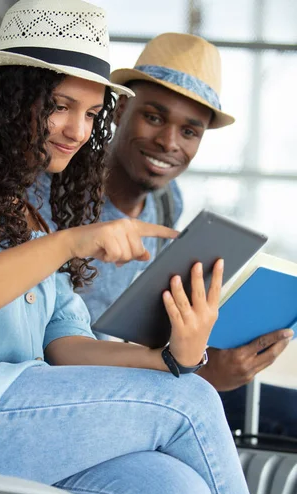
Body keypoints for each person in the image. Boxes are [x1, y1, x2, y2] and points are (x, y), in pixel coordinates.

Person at [0, 1, 289, 494]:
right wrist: (71, 241)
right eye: (58, 105)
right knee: (192, 401)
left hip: (0, 439)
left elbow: (65, 344)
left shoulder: (31, 212)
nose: (76, 131)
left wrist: (172, 358)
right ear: (11, 94)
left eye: (88, 113)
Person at [33, 32, 294, 423]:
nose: (168, 142)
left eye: (190, 131)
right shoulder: (50, 192)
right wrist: (200, 372)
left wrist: (203, 351)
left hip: (142, 370)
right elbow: (41, 340)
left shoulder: (166, 201)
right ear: (120, 110)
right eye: (153, 117)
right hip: (69, 386)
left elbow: (146, 323)